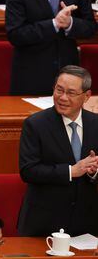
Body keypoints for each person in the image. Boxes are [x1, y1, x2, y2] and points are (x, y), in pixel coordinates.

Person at [18, 65, 98, 236]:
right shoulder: (35, 124)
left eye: (71, 93)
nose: (62, 98)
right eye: (59, 90)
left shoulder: (95, 124)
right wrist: (71, 171)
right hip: (44, 223)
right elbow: (28, 170)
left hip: (86, 223)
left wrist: (93, 171)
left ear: (87, 96)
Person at [5, 0, 97, 96]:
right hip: (32, 77)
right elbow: (15, 34)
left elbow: (90, 27)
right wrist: (54, 24)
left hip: (69, 76)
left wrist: (70, 23)